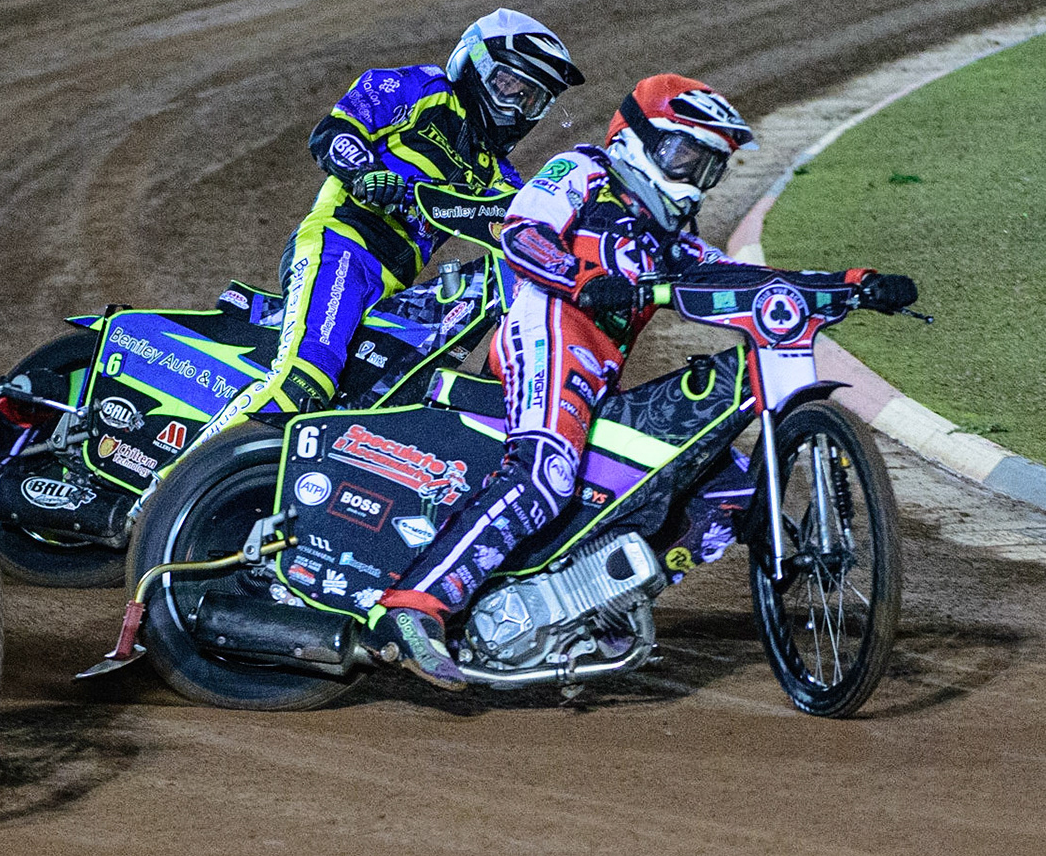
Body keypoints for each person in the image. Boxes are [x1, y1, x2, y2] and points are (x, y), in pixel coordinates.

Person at [370, 74, 917, 688]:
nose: (693, 180)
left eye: (708, 168)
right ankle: (416, 606)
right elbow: (520, 231)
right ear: (636, 140)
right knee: (545, 473)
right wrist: (580, 279)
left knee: (729, 496)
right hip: (550, 327)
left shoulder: (669, 241)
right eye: (685, 156)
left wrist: (848, 283)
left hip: (596, 366)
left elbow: (735, 275)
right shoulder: (584, 169)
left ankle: (584, 606)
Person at [195, 9, 583, 442]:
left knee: (360, 418)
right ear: (475, 65)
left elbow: (527, 233)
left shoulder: (499, 177)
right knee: (304, 382)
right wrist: (363, 174)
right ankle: (166, 489)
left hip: (396, 292)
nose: (518, 109)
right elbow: (333, 132)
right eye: (511, 87)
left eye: (533, 100)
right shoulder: (421, 88)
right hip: (341, 246)